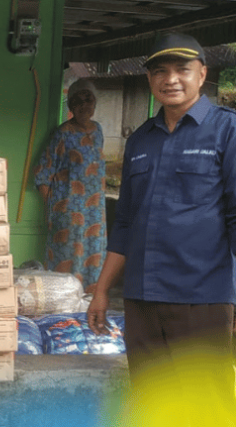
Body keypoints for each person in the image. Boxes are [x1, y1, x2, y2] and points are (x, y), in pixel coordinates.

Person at [87, 33, 236, 423]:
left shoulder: (227, 131)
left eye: (182, 69)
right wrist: (101, 291)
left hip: (201, 297)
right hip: (142, 298)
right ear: (150, 79)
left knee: (207, 405)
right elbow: (125, 222)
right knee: (151, 402)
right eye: (160, 71)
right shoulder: (140, 140)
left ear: (202, 74)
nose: (171, 79)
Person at [34, 78, 106, 293]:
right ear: (71, 106)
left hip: (95, 212)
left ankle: (88, 302)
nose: (84, 105)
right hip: (69, 210)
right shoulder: (63, 133)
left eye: (88, 100)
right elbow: (42, 173)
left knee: (93, 254)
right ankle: (63, 300)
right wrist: (53, 210)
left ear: (95, 103)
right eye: (78, 101)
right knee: (68, 256)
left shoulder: (98, 130)